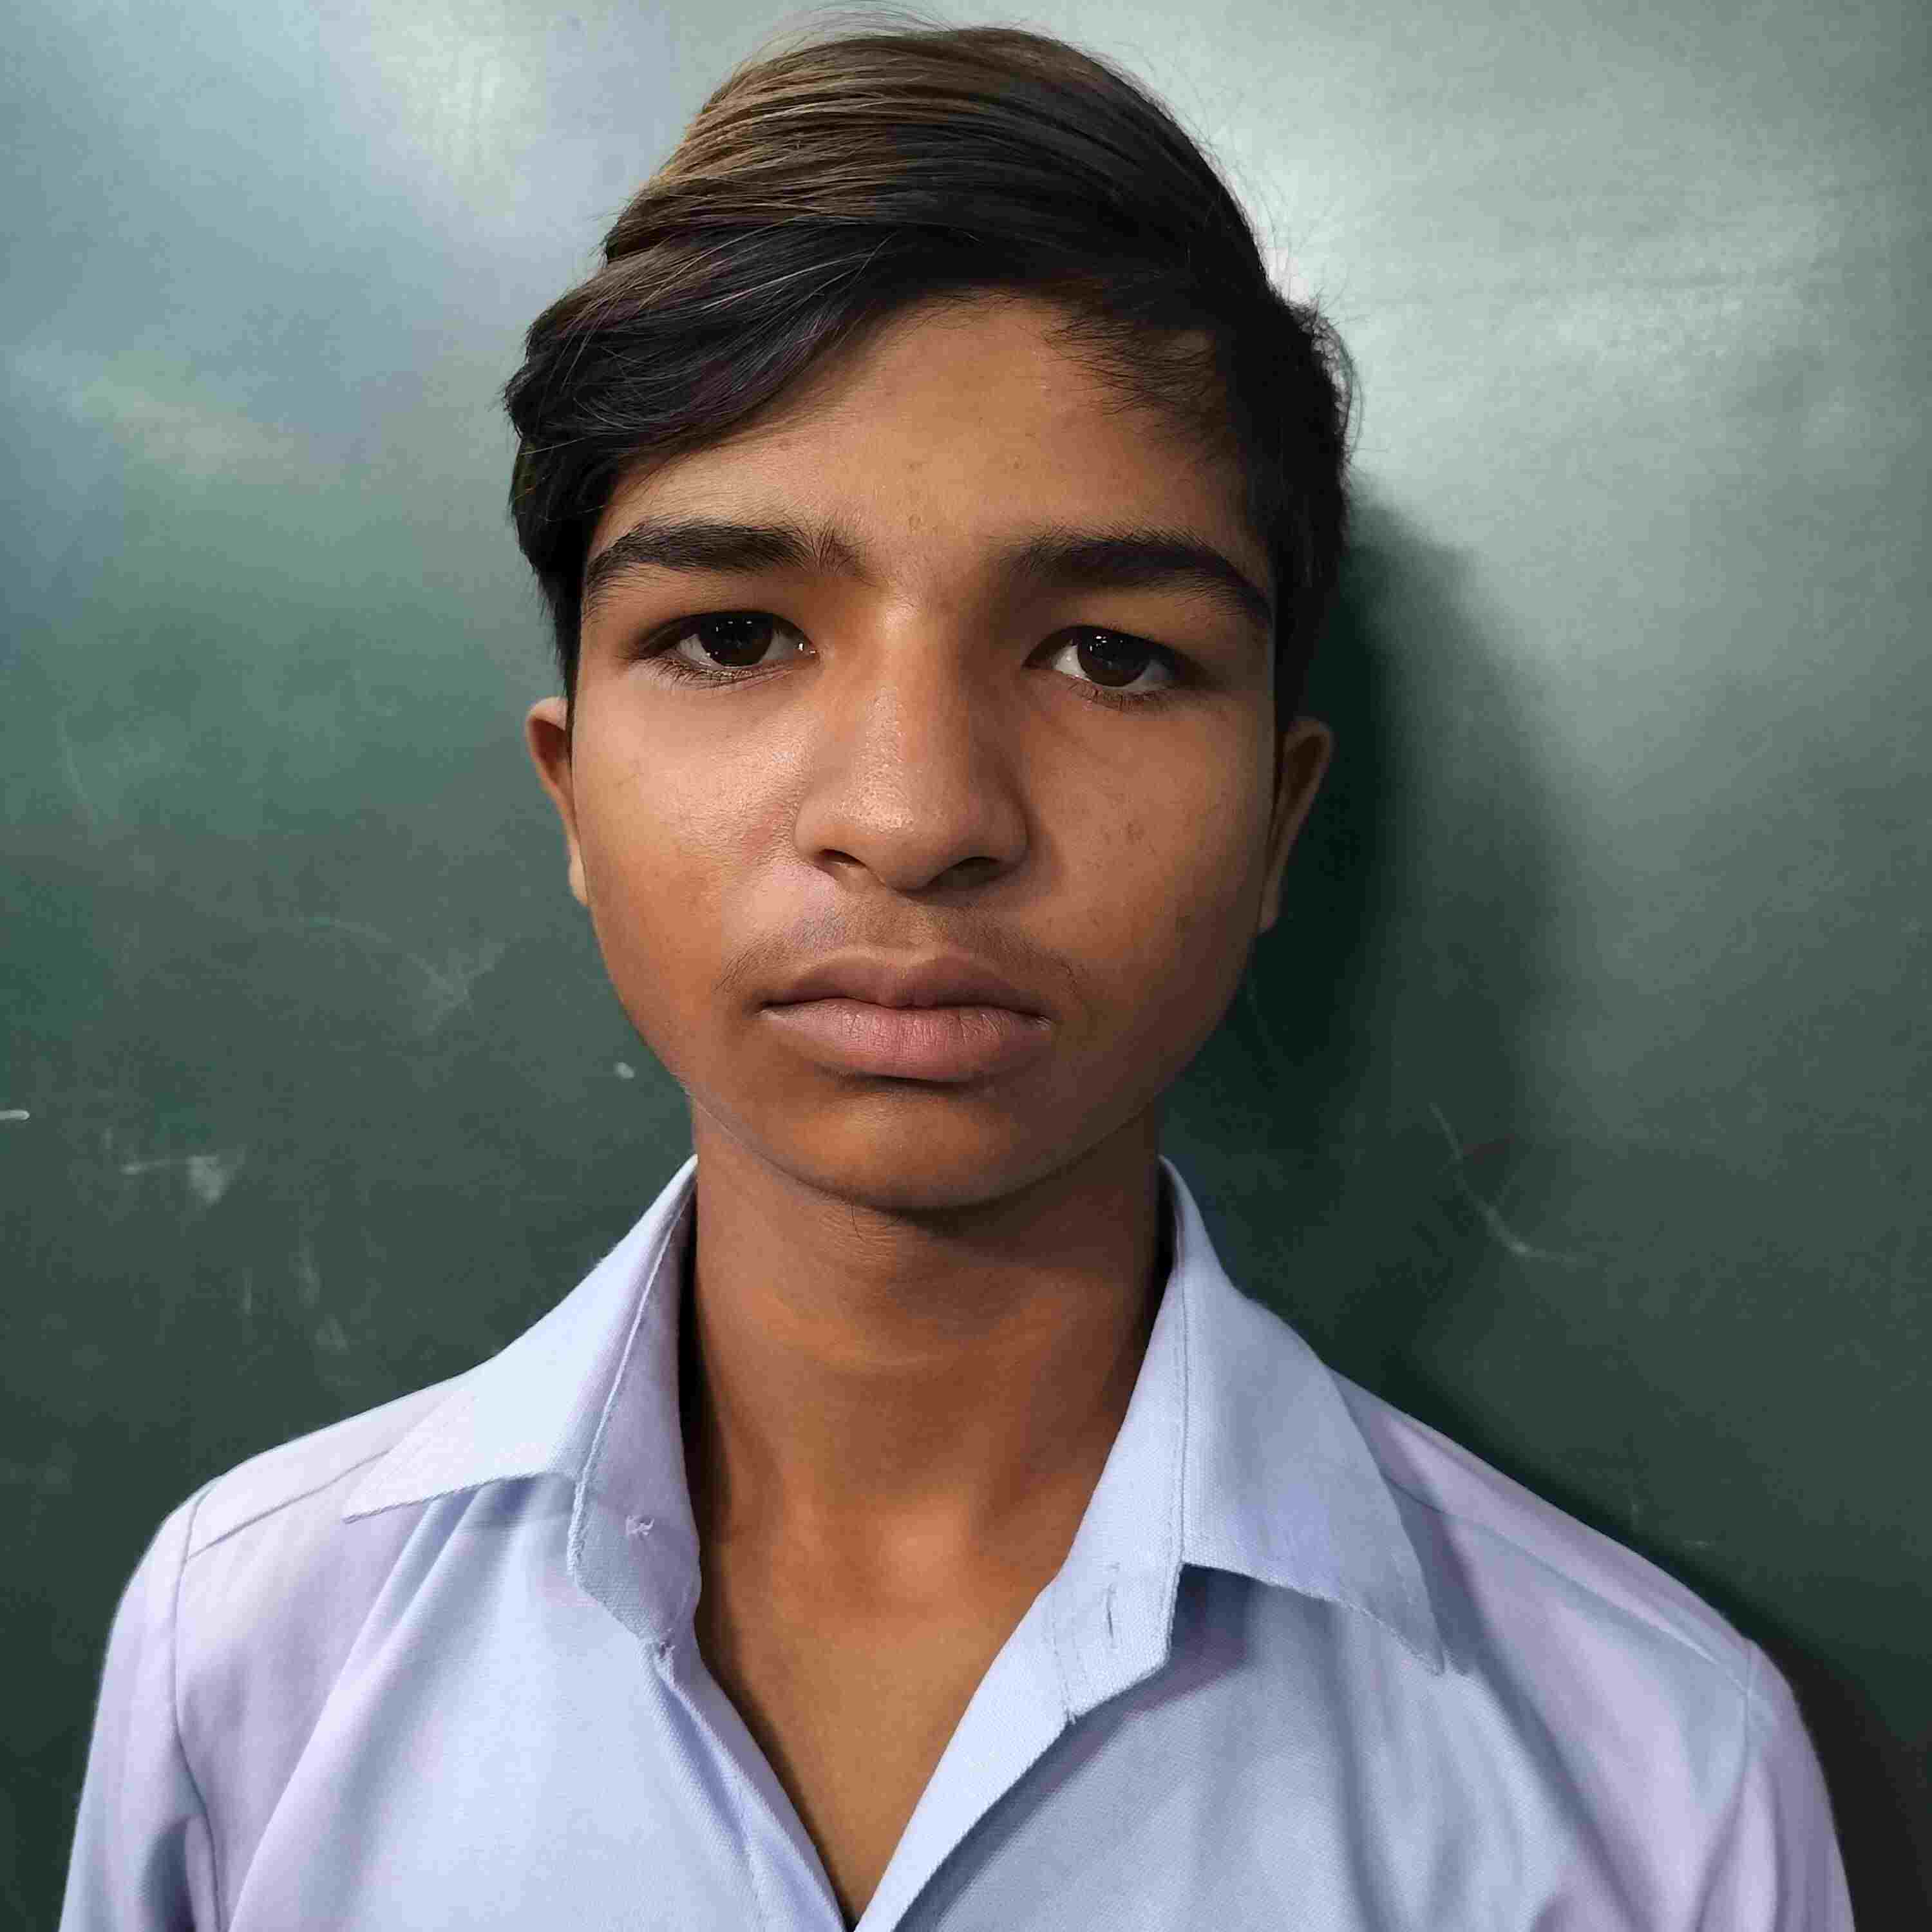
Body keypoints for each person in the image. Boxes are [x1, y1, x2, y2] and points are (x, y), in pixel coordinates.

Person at [60, 12, 1853, 1928]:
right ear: (572, 792)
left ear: (1276, 823)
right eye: (737, 636)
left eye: (1111, 655)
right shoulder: (247, 1656)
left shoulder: (1654, 1786)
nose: (918, 817)